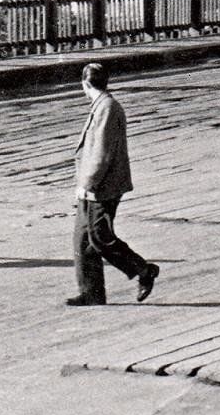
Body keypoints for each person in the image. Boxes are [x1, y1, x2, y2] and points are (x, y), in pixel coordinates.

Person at [67, 62, 159, 306]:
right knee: (83, 239)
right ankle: (91, 292)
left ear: (85, 85)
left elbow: (102, 153)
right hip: (94, 183)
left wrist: (87, 183)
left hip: (102, 185)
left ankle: (143, 270)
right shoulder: (102, 105)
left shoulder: (107, 108)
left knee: (99, 236)